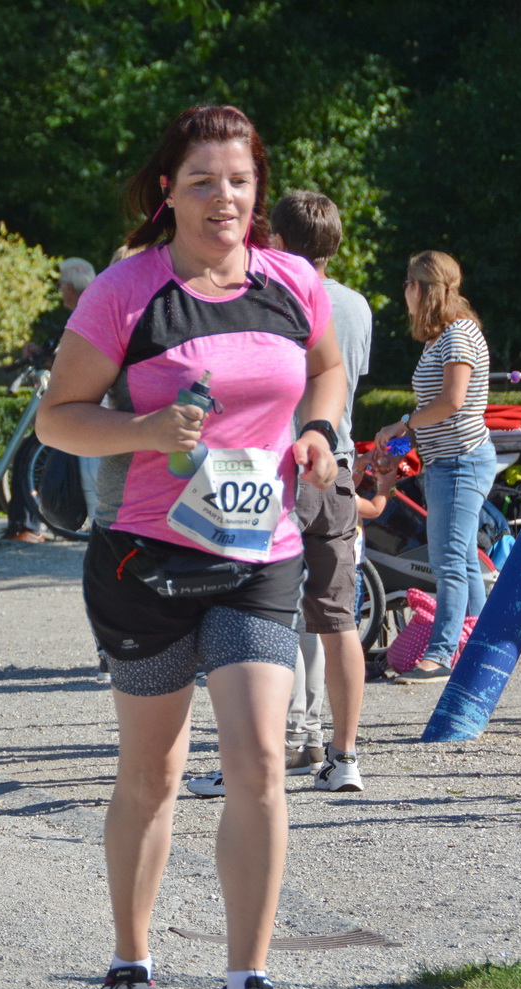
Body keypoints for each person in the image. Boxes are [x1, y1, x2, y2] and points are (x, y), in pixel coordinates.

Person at [37, 104, 344, 989]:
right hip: (147, 561)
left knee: (259, 760)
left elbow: (329, 369)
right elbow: (58, 418)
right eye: (204, 181)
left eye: (240, 181)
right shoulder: (128, 292)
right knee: (153, 773)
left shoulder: (293, 281)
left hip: (259, 554)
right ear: (168, 189)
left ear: (260, 192)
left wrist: (319, 431)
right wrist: (140, 431)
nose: (225, 198)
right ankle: (131, 971)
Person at [188, 191, 370, 797]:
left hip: (270, 469)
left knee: (250, 615)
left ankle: (248, 757)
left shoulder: (270, 293)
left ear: (279, 242)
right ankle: (343, 755)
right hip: (336, 466)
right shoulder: (357, 305)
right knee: (339, 620)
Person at [375, 252, 492, 686]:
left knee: (447, 561)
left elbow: (452, 402)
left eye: (407, 283)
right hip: (448, 463)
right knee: (462, 560)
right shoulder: (442, 337)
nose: (404, 292)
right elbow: (433, 412)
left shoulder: (458, 334)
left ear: (420, 288)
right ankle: (476, 646)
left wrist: (404, 425)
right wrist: (399, 448)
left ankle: (441, 654)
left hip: (461, 464)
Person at [3, 257, 98, 543]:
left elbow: (75, 359)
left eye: (60, 286)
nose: (59, 292)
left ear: (69, 288)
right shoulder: (91, 308)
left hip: (80, 402)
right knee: (31, 452)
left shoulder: (86, 312)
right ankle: (25, 524)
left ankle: (28, 525)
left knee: (32, 452)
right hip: (83, 400)